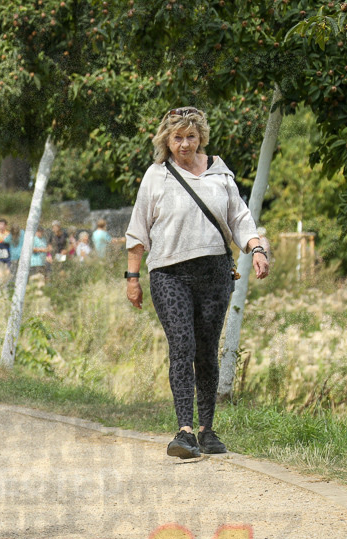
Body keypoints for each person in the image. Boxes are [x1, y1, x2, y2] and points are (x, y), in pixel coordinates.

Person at [125, 106, 269, 459]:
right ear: (166, 140)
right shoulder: (156, 176)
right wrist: (132, 277)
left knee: (206, 351)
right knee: (182, 346)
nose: (185, 144)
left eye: (191, 137)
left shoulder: (220, 173)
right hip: (169, 274)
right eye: (177, 137)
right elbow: (138, 229)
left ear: (201, 137)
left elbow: (240, 218)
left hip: (215, 274)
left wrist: (257, 248)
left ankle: (207, 430)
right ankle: (184, 431)